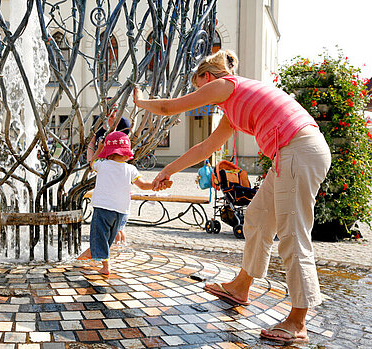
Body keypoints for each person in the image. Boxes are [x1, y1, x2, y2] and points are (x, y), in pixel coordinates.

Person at [133, 49, 331, 345]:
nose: (201, 95)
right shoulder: (232, 108)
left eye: (198, 88)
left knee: (292, 234)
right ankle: (240, 286)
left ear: (206, 76)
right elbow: (204, 148)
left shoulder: (225, 84)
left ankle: (298, 321)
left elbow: (167, 108)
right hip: (290, 152)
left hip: (298, 150)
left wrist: (139, 101)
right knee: (258, 218)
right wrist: (168, 171)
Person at [78, 131, 171, 275]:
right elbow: (143, 185)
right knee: (109, 237)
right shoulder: (131, 169)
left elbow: (92, 163)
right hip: (121, 211)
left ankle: (105, 265)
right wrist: (156, 184)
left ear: (109, 152)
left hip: (103, 208)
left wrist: (99, 149)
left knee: (99, 235)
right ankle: (90, 257)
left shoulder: (102, 164)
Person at [87, 99, 131, 244]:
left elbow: (125, 147)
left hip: (115, 168)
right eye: (108, 108)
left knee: (116, 217)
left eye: (115, 108)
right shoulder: (99, 122)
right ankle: (112, 244)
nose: (112, 111)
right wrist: (90, 161)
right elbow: (92, 142)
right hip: (101, 166)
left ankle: (117, 245)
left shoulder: (123, 123)